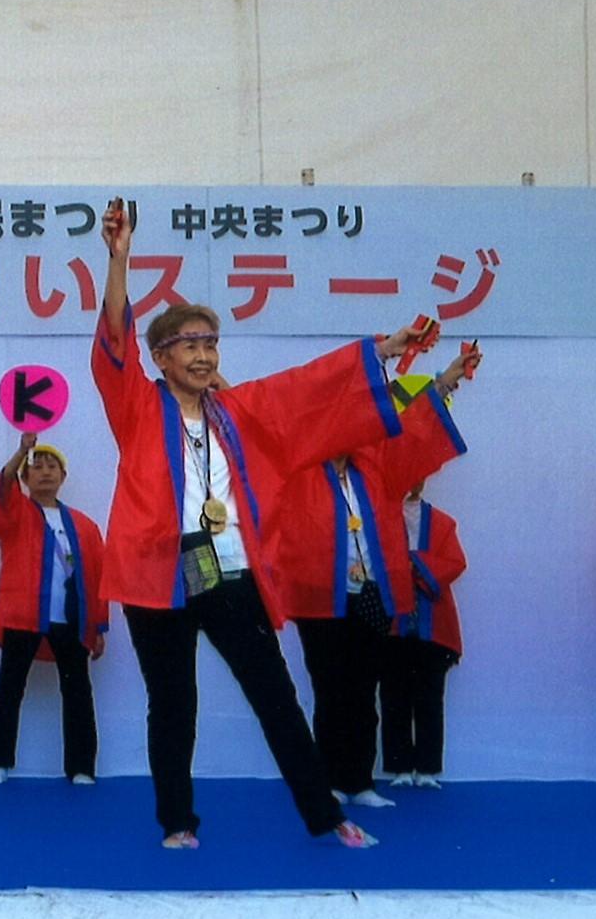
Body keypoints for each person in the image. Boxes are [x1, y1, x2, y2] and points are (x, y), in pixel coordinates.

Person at [92, 199, 426, 850]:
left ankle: (325, 815)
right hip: (158, 571)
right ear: (160, 357)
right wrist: (119, 260)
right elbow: (113, 340)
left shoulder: (236, 412)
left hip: (226, 566)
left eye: (211, 343)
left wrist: (381, 351)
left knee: (275, 693)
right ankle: (177, 822)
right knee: (174, 701)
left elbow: (305, 390)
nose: (204, 355)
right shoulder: (136, 405)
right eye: (190, 345)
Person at [272, 360, 473, 809]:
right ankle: (330, 780)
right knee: (329, 691)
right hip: (321, 598)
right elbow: (264, 432)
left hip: (370, 595)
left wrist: (445, 382)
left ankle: (360, 781)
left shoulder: (376, 467)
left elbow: (415, 431)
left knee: (364, 693)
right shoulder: (300, 469)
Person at [0, 432, 107, 786]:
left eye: (53, 467)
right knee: (10, 689)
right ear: (24, 477)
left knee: (78, 692)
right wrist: (22, 451)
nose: (46, 472)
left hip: (72, 620)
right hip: (23, 615)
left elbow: (99, 577)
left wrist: (98, 627)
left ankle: (82, 767)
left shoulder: (85, 525)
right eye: (37, 467)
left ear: (63, 476)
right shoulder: (16, 512)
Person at [380, 479, 467, 788]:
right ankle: (400, 767)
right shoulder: (380, 520)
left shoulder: (443, 523)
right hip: (393, 623)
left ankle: (427, 768)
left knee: (430, 697)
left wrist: (414, 563)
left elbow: (456, 563)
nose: (413, 481)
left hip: (434, 623)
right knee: (394, 696)